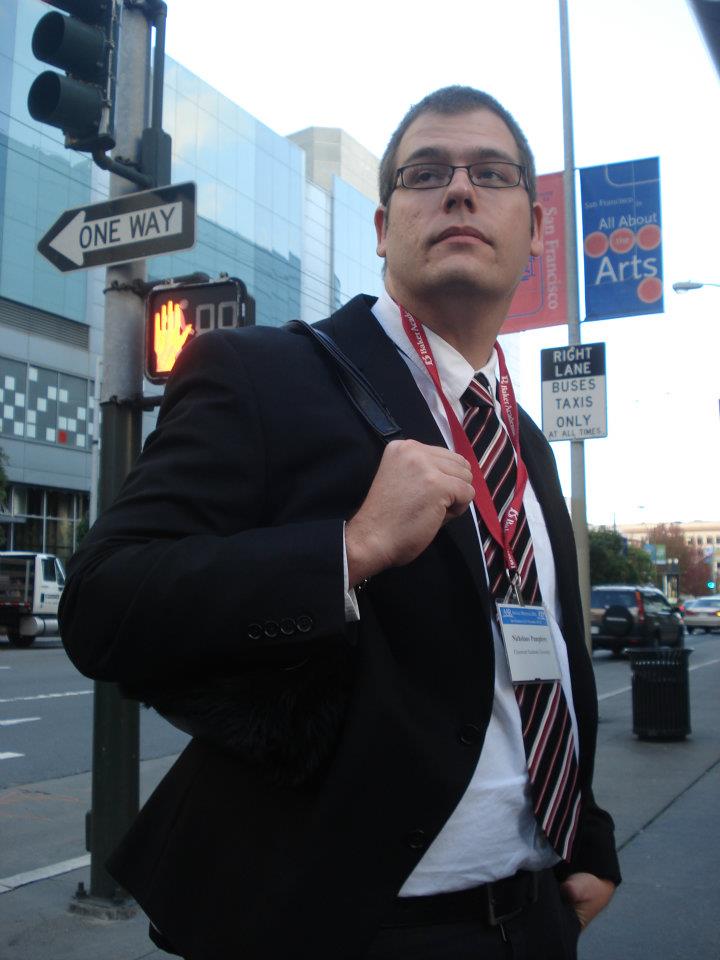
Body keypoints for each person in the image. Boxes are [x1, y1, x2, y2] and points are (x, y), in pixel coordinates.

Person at [60, 86, 620, 960]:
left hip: (536, 913)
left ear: (537, 229)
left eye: (491, 174)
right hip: (344, 928)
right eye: (425, 173)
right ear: (382, 228)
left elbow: (550, 653)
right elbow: (101, 604)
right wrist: (347, 549)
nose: (459, 190)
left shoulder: (526, 443)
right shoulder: (261, 374)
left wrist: (586, 834)